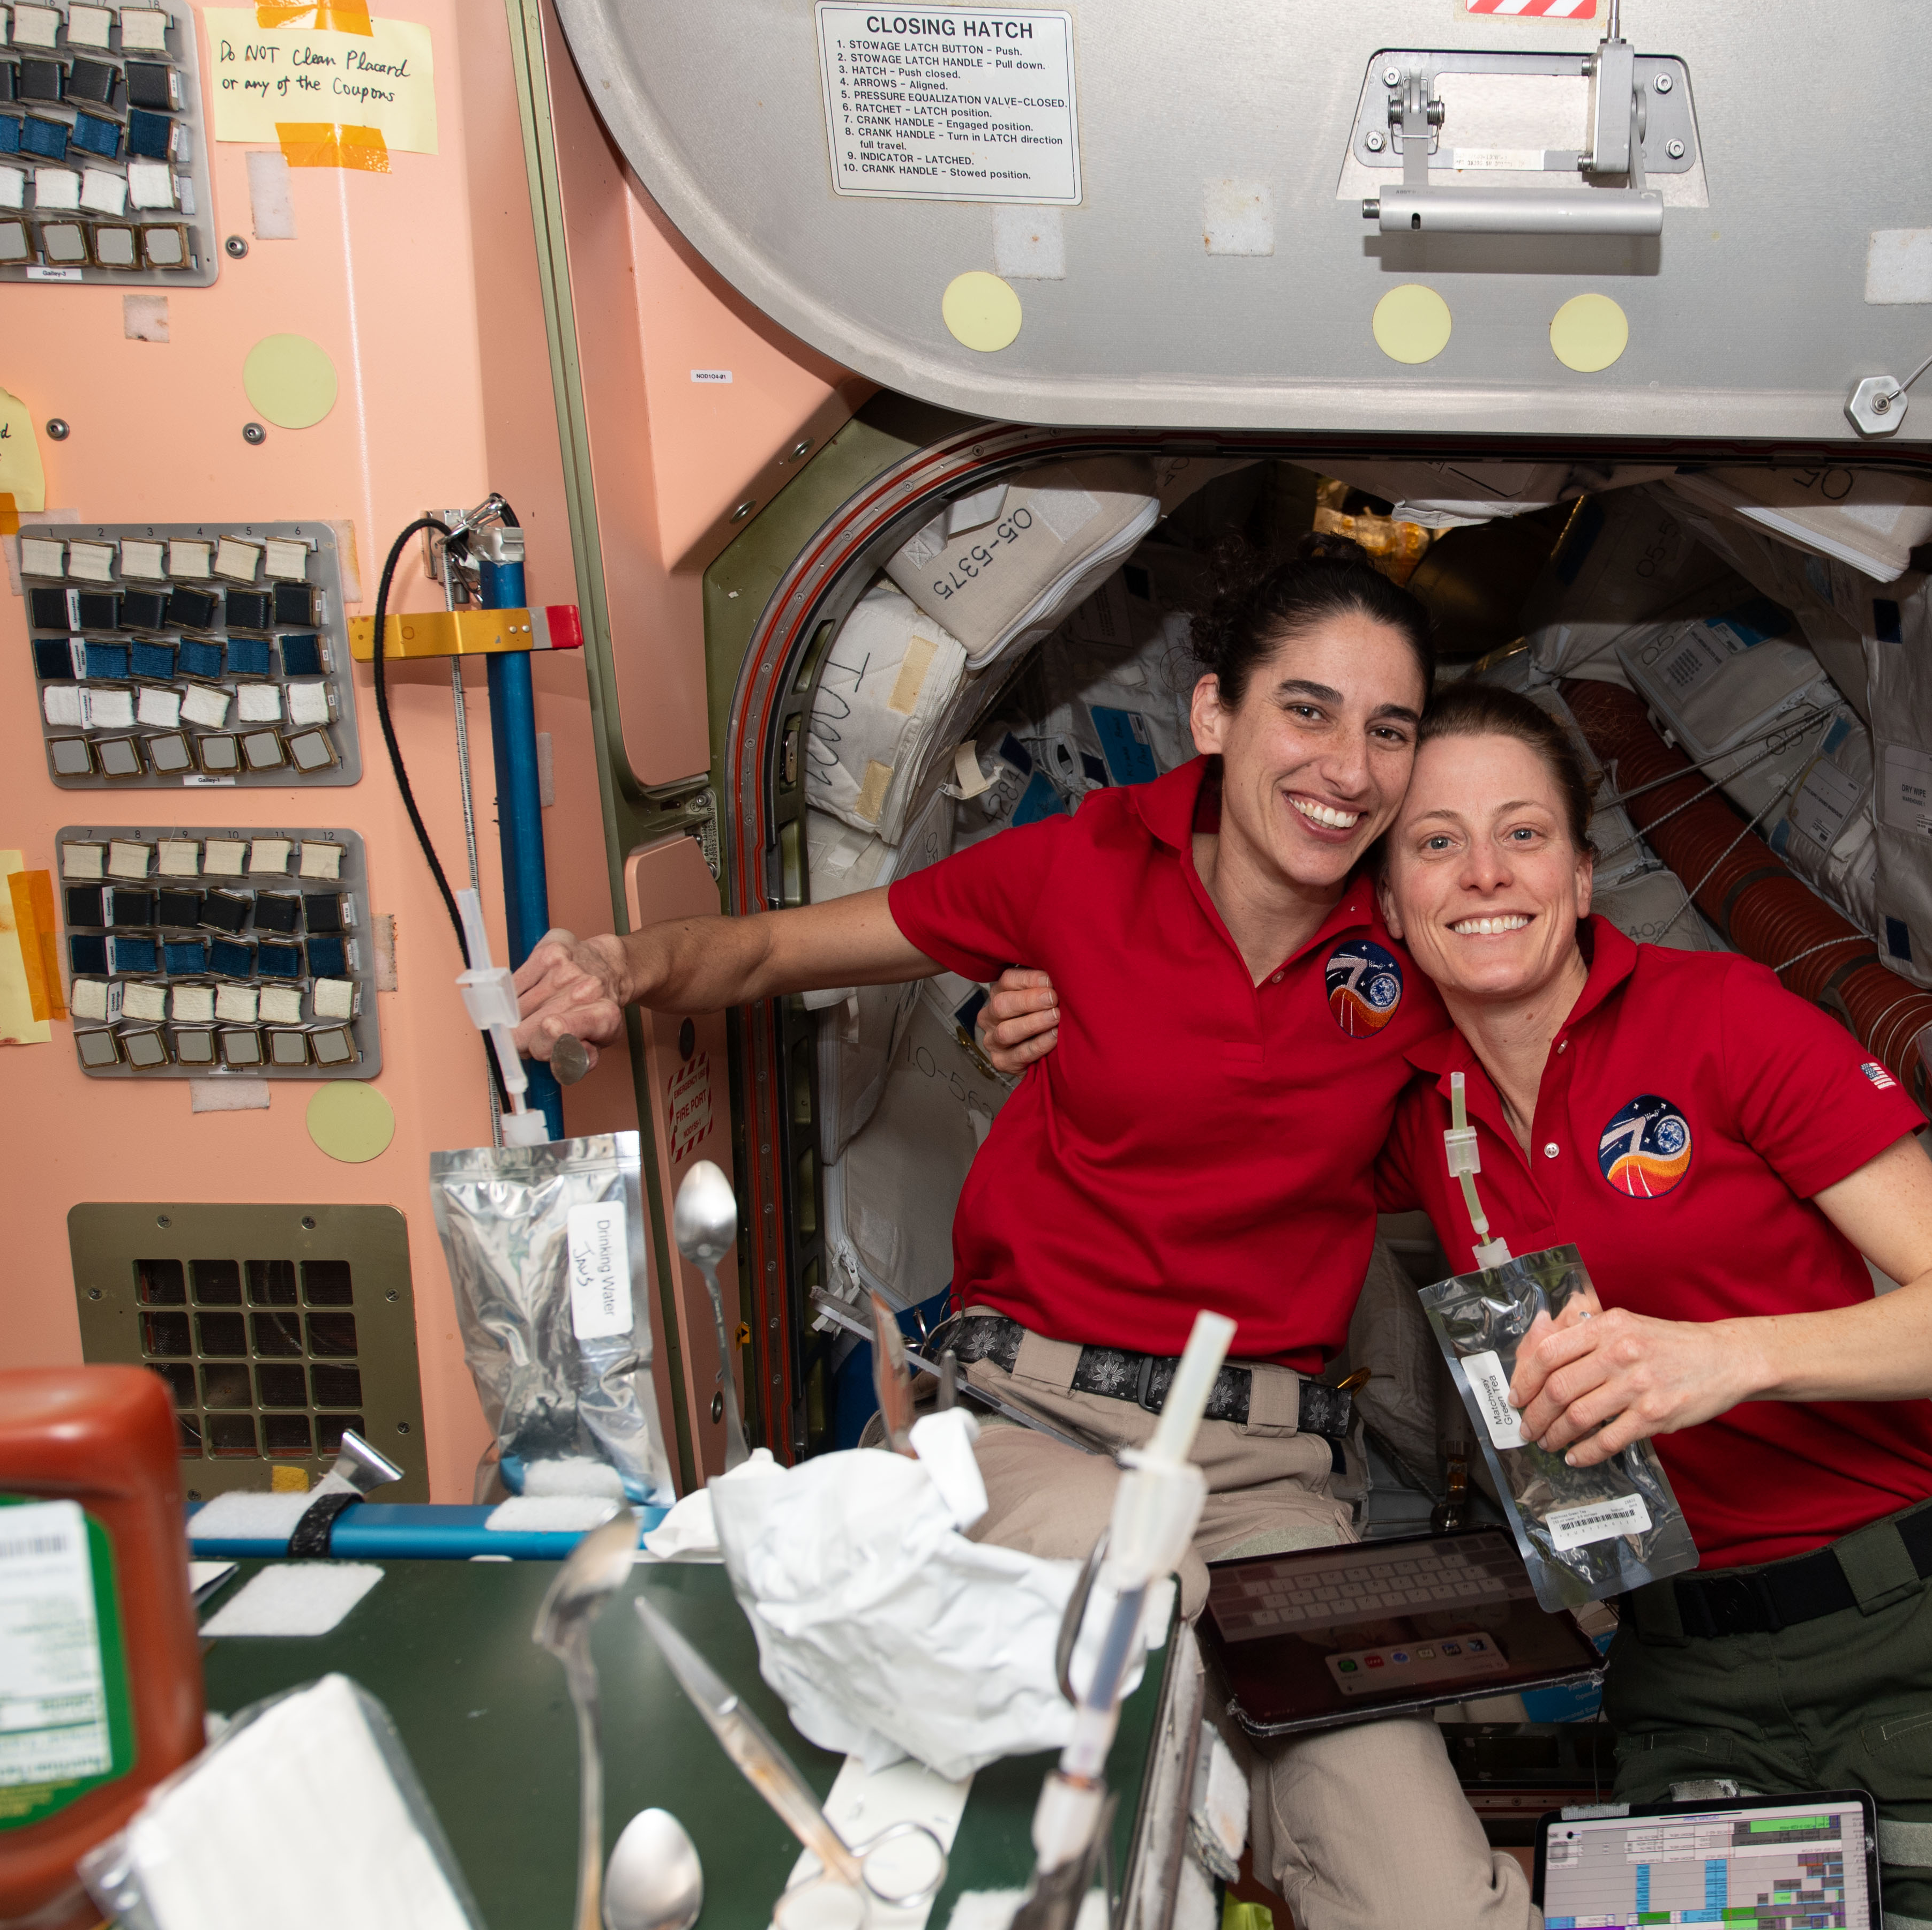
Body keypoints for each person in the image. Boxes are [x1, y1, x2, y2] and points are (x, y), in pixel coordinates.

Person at [980, 681, 1932, 1928]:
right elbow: (1221, 1100)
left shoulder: (1730, 1023)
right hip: (1684, 1675)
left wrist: (1716, 1359)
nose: (1484, 872)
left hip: (1922, 1635)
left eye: (1523, 833)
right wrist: (1064, 1006)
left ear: (1585, 876)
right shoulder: (1414, 1099)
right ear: (1388, 903)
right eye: (1436, 841)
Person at [513, 547, 1537, 1930]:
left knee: (1433, 1902)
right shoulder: (1085, 868)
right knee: (1128, 1615)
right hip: (1028, 1429)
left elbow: (1563, 1057)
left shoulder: (1413, 932)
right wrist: (621, 966)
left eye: (1390, 730)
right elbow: (769, 953)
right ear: (1216, 715)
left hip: (1271, 1484)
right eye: (1309, 711)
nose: (1349, 767)